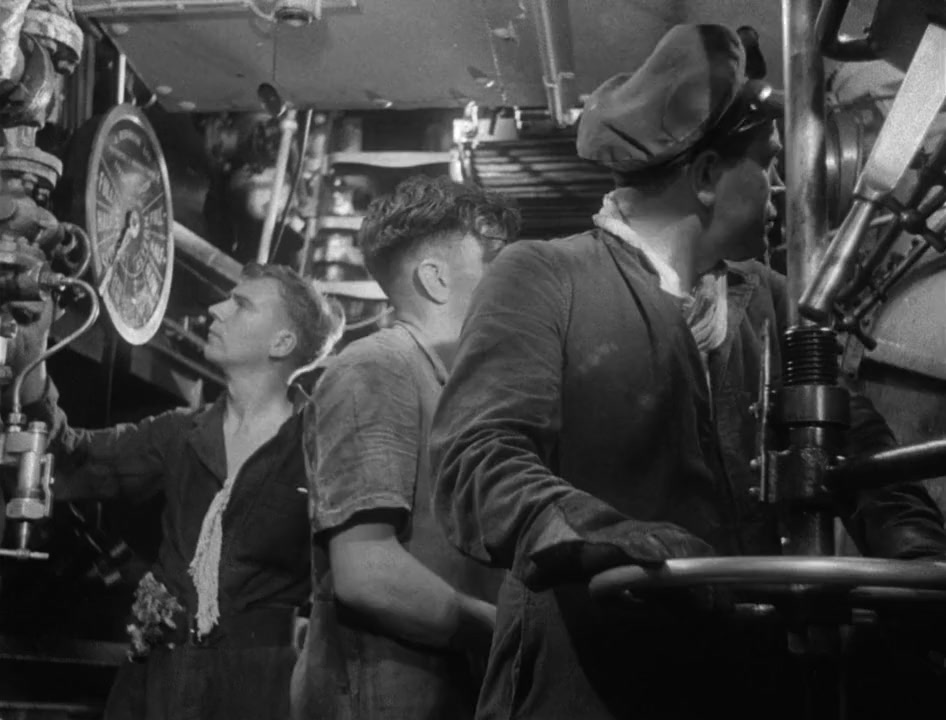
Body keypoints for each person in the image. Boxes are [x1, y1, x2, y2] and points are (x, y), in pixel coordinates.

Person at [428, 24, 946, 720]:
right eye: (767, 163)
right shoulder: (547, 277)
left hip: (741, 683)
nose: (782, 185)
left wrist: (917, 554)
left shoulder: (770, 299)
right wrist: (598, 536)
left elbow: (857, 450)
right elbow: (476, 460)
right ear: (704, 178)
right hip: (589, 685)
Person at [4, 262, 343, 720]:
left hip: (254, 691)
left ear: (281, 343)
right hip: (155, 683)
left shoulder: (322, 449)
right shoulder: (180, 434)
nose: (216, 309)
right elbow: (72, 461)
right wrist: (34, 352)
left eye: (241, 304)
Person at [290, 175, 519, 720]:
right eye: (496, 263)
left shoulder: (451, 387)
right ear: (435, 278)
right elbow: (367, 570)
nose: (516, 282)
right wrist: (510, 632)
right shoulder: (378, 368)